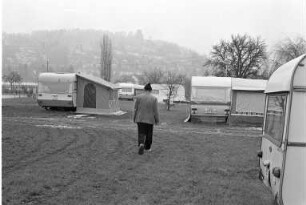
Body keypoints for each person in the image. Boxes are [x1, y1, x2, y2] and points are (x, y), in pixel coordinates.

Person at [133, 83, 160, 155]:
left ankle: (141, 143)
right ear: (151, 90)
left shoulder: (139, 97)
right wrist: (157, 120)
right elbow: (155, 111)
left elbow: (135, 109)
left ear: (144, 89)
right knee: (149, 133)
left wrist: (134, 117)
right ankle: (148, 147)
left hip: (140, 118)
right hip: (150, 119)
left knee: (141, 132)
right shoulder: (154, 98)